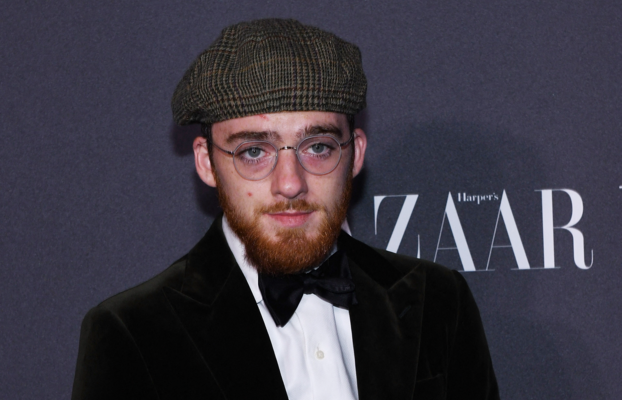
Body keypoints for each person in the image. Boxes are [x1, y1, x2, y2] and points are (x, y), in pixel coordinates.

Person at [72, 18, 499, 400]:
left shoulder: (438, 301)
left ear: (355, 153)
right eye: (254, 151)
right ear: (206, 162)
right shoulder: (135, 333)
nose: (290, 183)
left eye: (318, 147)